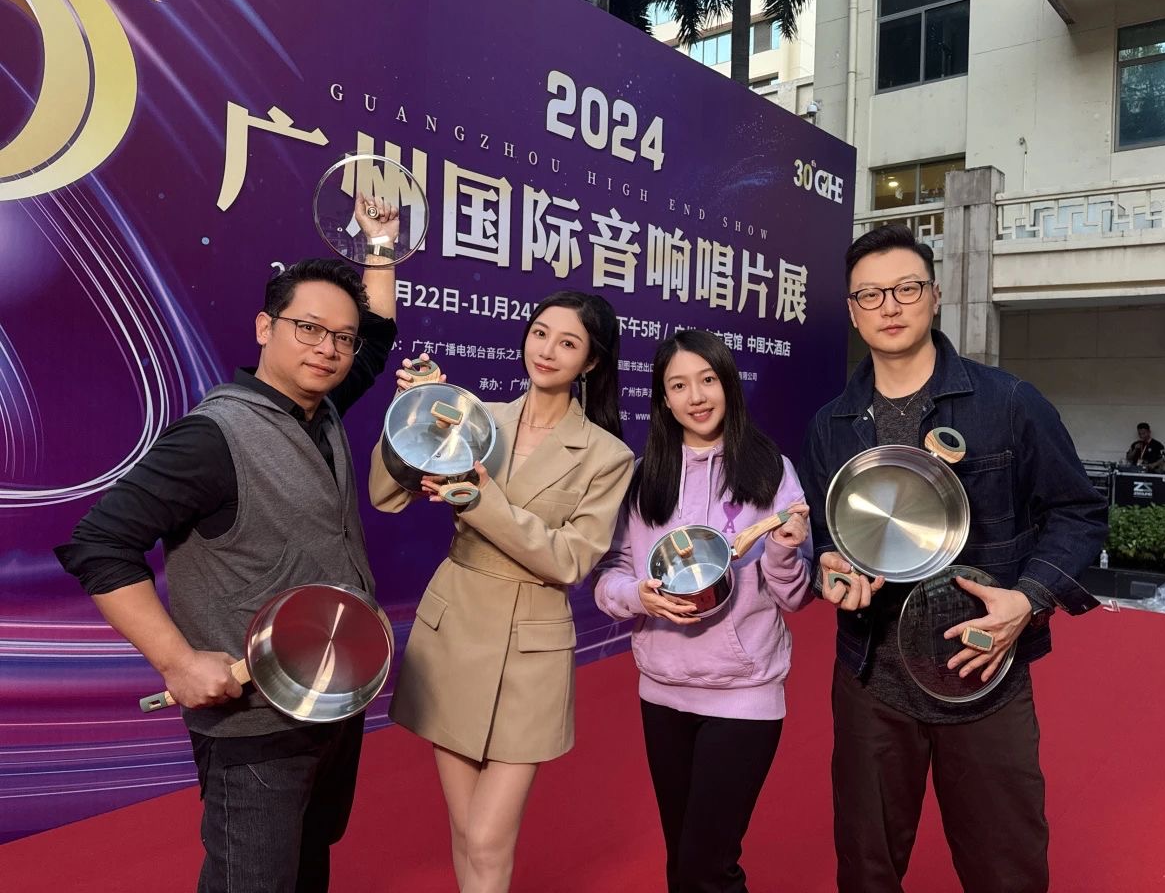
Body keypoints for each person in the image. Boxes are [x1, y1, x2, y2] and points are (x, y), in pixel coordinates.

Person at [54, 210, 402, 893]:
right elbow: (99, 544)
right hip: (254, 727)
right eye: (308, 328)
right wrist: (177, 662)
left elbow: (379, 335)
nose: (328, 349)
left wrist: (381, 245)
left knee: (308, 867)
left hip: (332, 703)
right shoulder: (213, 437)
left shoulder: (319, 408)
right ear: (265, 328)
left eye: (341, 337)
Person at [797, 224, 1108, 893]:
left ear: (935, 296)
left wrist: (1027, 599)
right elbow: (827, 534)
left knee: (1007, 871)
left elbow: (1078, 512)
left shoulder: (1009, 403)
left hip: (984, 670)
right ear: (852, 310)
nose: (889, 306)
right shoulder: (830, 426)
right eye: (870, 294)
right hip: (871, 682)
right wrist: (829, 566)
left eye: (906, 288)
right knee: (866, 872)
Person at [369, 290, 633, 893]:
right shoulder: (475, 417)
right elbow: (385, 496)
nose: (547, 350)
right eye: (540, 333)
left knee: (488, 839)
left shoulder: (608, 455)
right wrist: (411, 413)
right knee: (466, 832)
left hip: (531, 647)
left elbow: (571, 560)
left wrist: (482, 501)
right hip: (454, 628)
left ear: (591, 361)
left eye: (568, 342)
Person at [593, 329, 812, 893]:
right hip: (662, 689)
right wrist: (637, 595)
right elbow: (611, 574)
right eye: (678, 385)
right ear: (663, 400)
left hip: (744, 693)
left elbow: (794, 596)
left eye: (708, 379)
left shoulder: (770, 470)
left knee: (707, 868)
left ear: (728, 385)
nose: (696, 396)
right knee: (681, 863)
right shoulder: (645, 477)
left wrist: (783, 549)